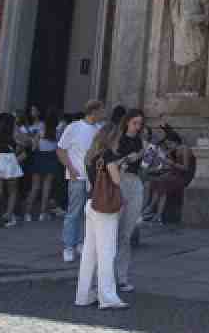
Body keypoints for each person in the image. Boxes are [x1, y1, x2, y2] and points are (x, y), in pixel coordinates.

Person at [75, 121, 128, 310]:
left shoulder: (91, 155)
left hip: (91, 203)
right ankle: (107, 297)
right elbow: (116, 180)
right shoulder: (109, 156)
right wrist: (121, 168)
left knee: (89, 252)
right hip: (104, 207)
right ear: (112, 138)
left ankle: (84, 295)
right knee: (106, 252)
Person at [59, 100, 103, 262]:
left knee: (88, 213)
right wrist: (70, 169)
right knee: (74, 212)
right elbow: (61, 150)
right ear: (94, 111)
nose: (103, 114)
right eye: (101, 111)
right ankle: (68, 246)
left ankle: (81, 242)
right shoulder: (74, 127)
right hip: (77, 176)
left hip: (93, 177)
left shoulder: (99, 129)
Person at [113, 109, 149, 293]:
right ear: (127, 122)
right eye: (135, 123)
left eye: (140, 124)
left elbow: (146, 168)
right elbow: (110, 163)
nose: (137, 127)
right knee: (113, 231)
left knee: (126, 234)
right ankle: (106, 275)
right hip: (119, 181)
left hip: (135, 183)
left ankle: (122, 277)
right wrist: (127, 158)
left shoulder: (141, 142)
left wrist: (146, 156)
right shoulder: (118, 139)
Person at [25, 111, 58, 222]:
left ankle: (27, 213)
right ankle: (42, 213)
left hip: (39, 157)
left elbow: (34, 147)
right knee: (47, 186)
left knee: (35, 186)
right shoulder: (57, 131)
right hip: (51, 157)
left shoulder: (40, 129)